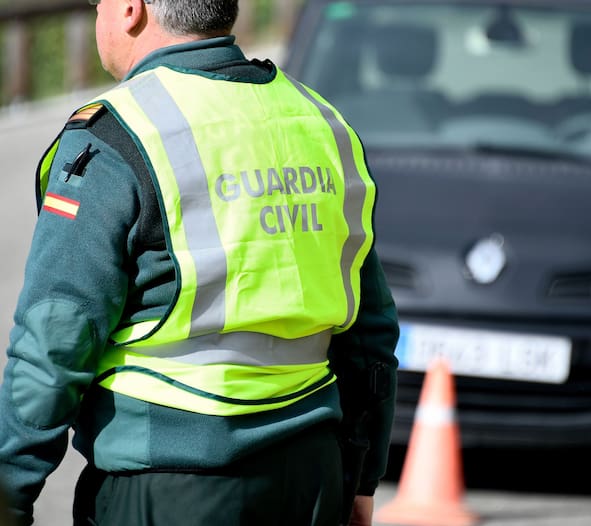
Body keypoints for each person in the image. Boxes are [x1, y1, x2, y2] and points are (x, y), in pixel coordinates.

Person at [0, 0, 399, 525]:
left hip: (167, 484)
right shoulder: (322, 122)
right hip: (311, 476)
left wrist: (9, 489)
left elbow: (55, 339)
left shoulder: (118, 134)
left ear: (129, 10)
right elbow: (370, 332)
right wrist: (361, 475)